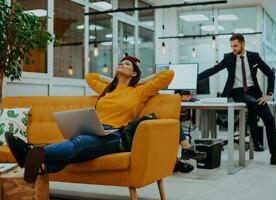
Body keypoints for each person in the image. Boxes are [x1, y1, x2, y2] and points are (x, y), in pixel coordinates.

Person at [5, 56, 205, 183]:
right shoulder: (107, 91)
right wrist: (114, 80)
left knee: (77, 143)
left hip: (115, 136)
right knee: (74, 151)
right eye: (120, 62)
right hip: (94, 131)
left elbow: (168, 75)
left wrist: (139, 81)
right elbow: (90, 76)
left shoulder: (139, 92)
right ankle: (40, 167)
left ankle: (30, 153)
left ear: (134, 73)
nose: (121, 64)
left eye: (126, 64)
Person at [197, 33, 276, 167]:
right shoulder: (228, 58)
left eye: (235, 46)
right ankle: (256, 141)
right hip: (237, 91)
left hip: (253, 91)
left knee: (270, 120)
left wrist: (269, 94)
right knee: (251, 102)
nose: (233, 48)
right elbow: (213, 70)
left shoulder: (254, 56)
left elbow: (270, 73)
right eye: (231, 46)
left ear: (243, 44)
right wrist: (195, 78)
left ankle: (275, 157)